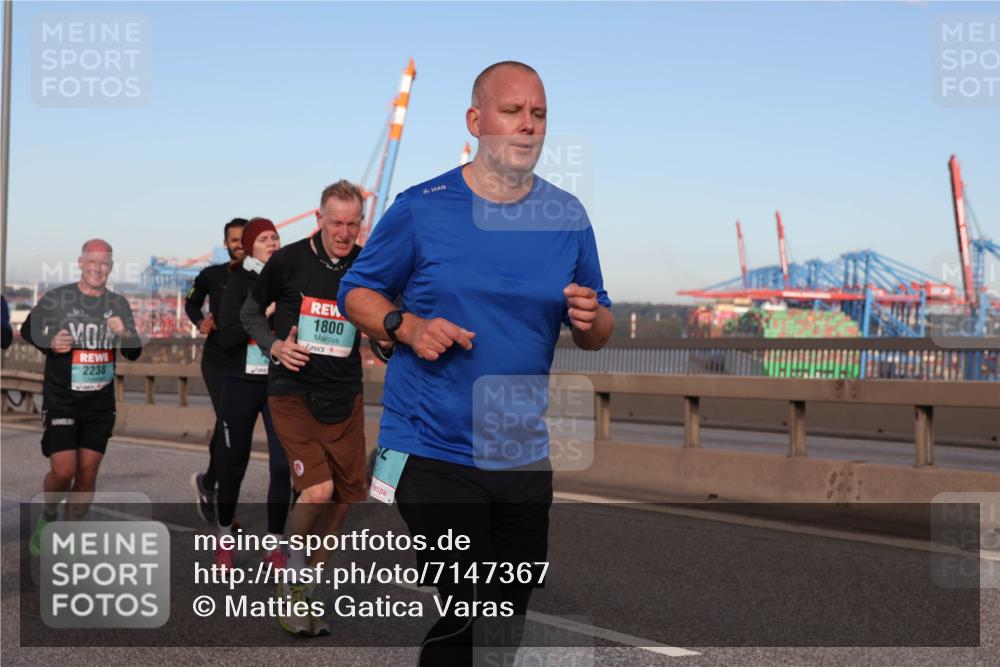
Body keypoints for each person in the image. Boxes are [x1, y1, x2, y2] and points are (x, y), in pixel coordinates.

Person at [339, 61, 614, 665]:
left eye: (538, 114)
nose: (528, 126)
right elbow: (356, 291)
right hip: (432, 448)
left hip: (521, 453)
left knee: (505, 618)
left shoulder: (567, 217)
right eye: (512, 111)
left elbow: (598, 326)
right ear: (475, 121)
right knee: (470, 608)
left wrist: (595, 319)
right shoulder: (422, 207)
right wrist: (406, 326)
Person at [240, 181, 368, 638]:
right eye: (336, 223)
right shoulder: (288, 259)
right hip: (292, 391)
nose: (344, 232)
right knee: (317, 491)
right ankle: (290, 582)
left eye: (353, 223)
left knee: (342, 501)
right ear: (319, 219)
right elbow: (250, 314)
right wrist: (275, 345)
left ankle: (308, 586)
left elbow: (386, 319)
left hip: (345, 395)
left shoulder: (368, 264)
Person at [21, 239, 143, 555]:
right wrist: (50, 341)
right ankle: (48, 518)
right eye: (92, 261)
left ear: (111, 267)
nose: (98, 268)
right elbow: (27, 330)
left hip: (99, 403)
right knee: (64, 471)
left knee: (87, 476)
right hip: (62, 398)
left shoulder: (118, 304)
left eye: (104, 263)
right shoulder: (58, 298)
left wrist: (124, 333)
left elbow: (133, 352)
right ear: (80, 262)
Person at [213, 217, 291, 570]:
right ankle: (224, 535)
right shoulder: (237, 283)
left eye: (275, 236)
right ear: (248, 245)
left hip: (277, 383)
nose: (273, 242)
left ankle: (274, 544)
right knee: (234, 466)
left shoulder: (285, 279)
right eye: (264, 238)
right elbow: (226, 338)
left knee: (282, 466)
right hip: (239, 384)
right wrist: (261, 315)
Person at [186, 218, 247, 522]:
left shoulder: (266, 276)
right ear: (226, 244)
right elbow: (191, 304)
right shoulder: (211, 274)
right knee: (228, 424)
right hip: (217, 360)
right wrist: (200, 321)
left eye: (243, 239)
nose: (238, 244)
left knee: (230, 428)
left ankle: (208, 482)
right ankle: (222, 499)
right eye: (233, 240)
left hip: (249, 361)